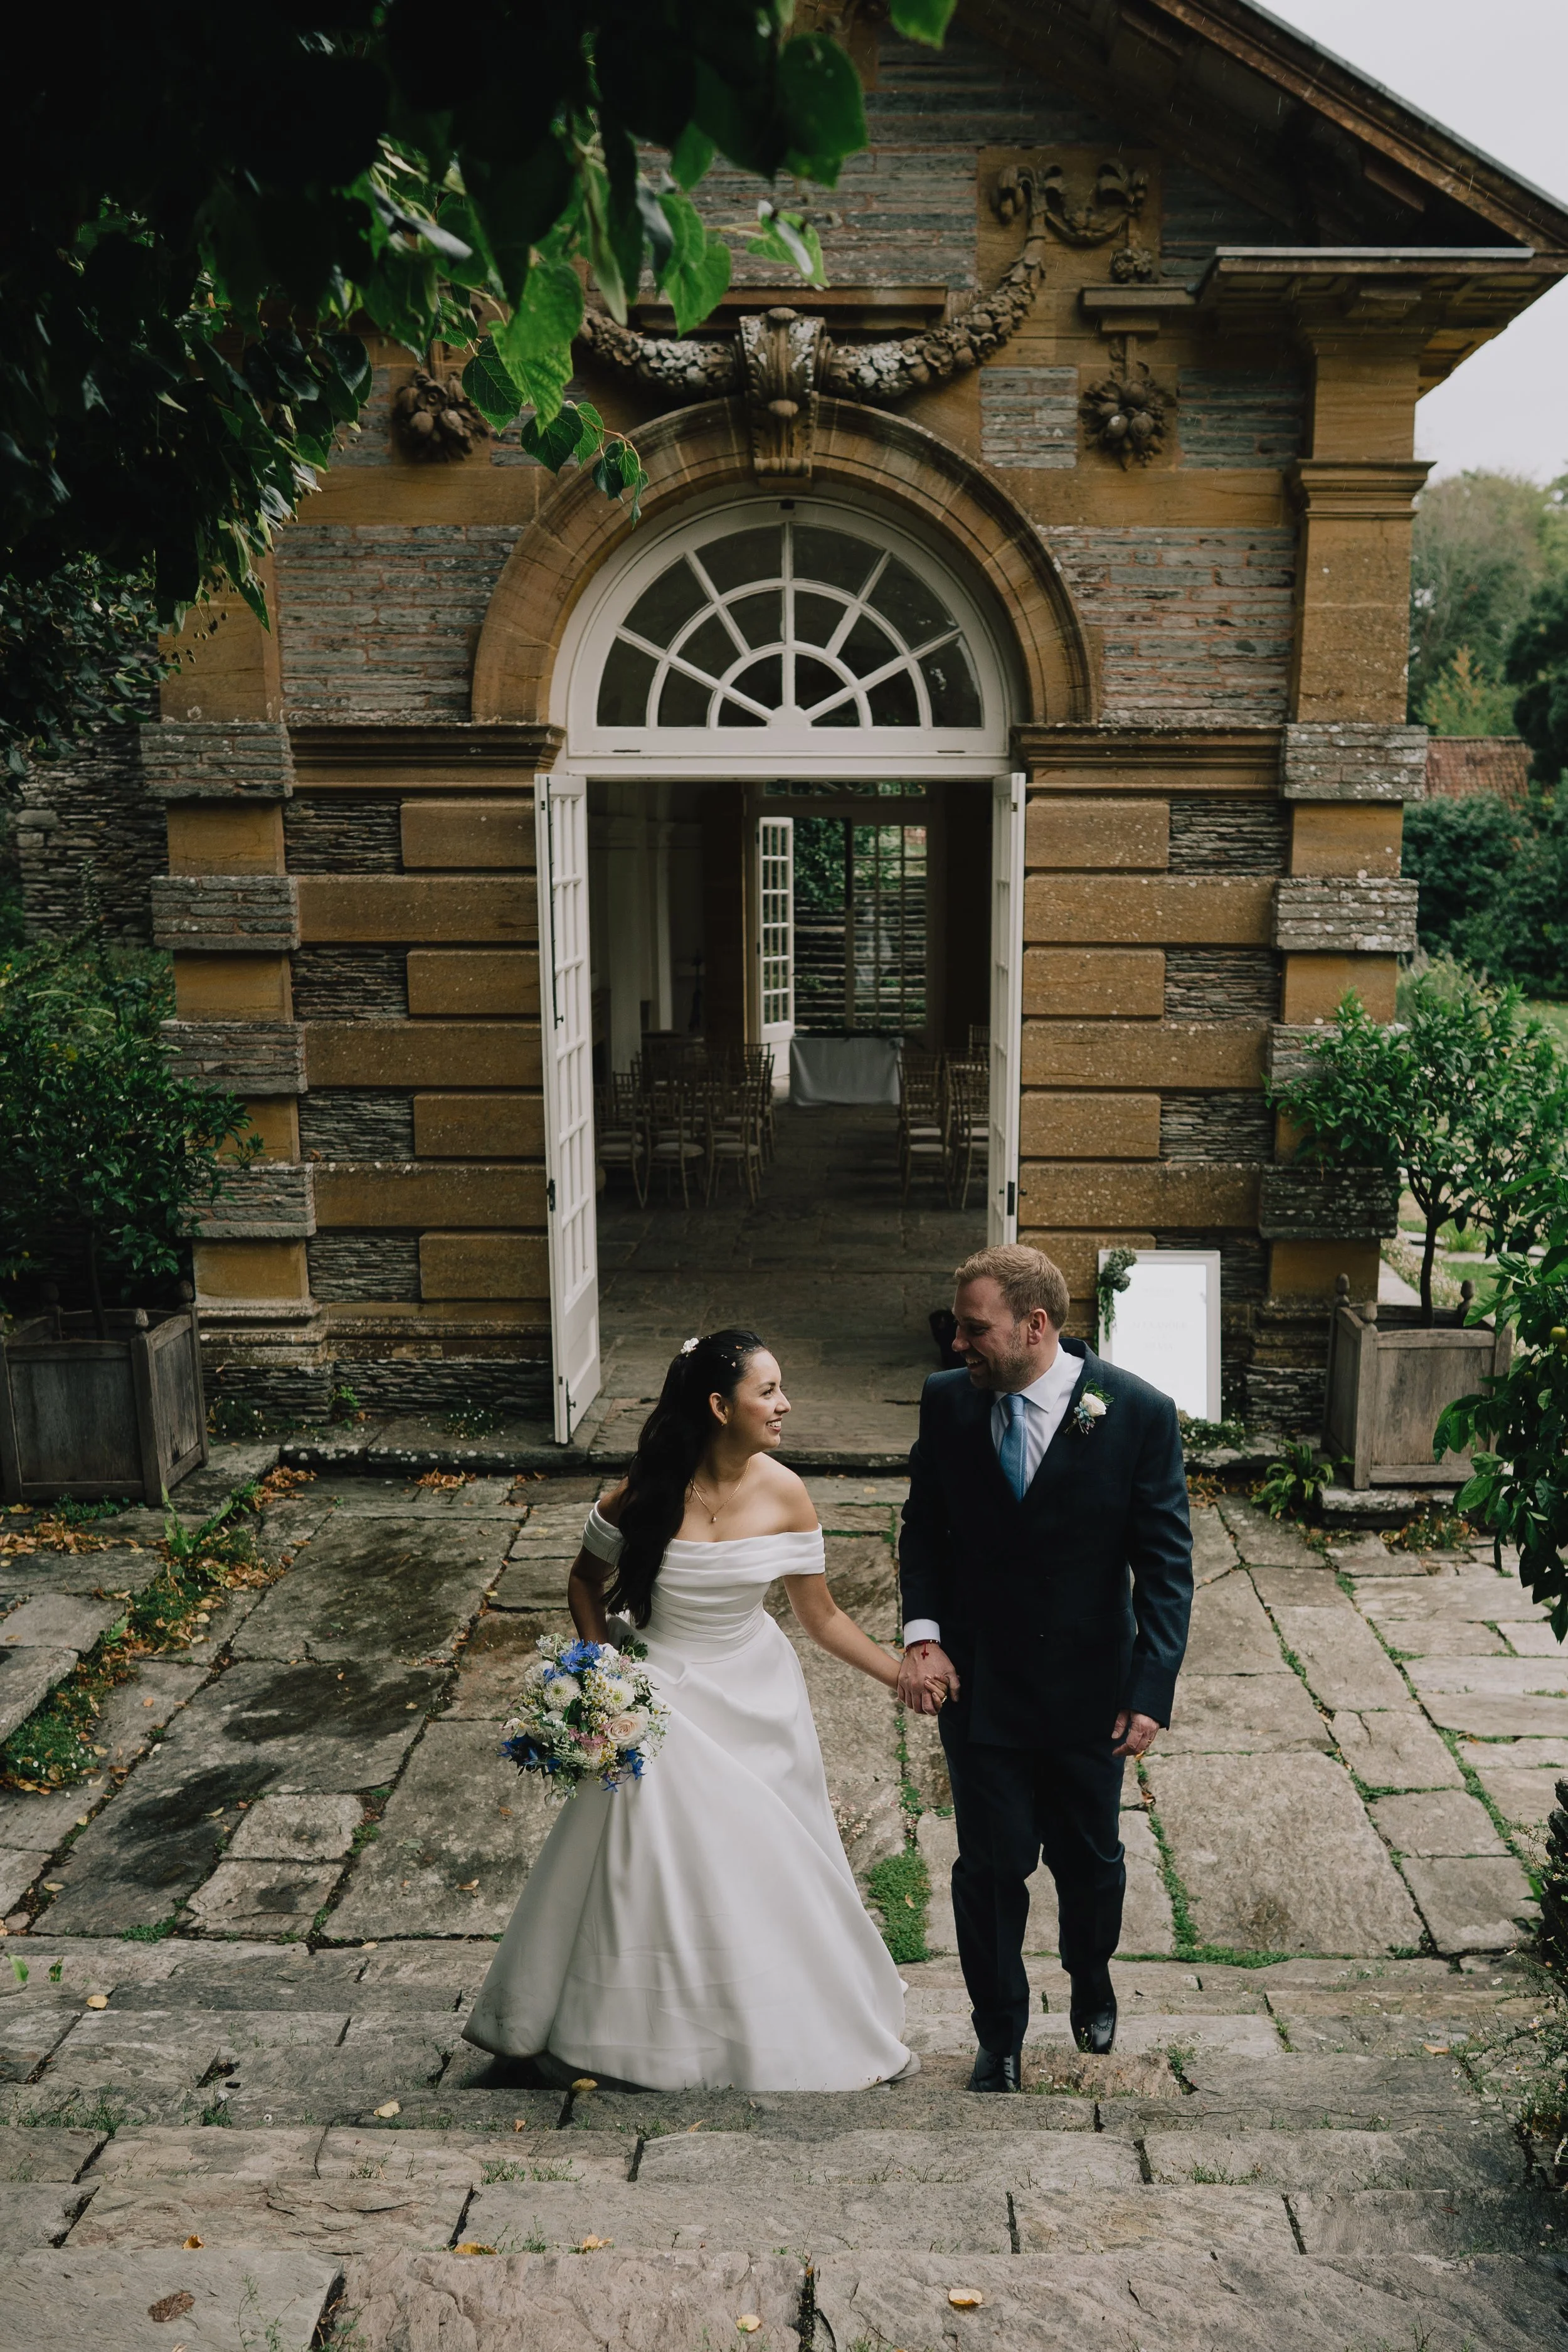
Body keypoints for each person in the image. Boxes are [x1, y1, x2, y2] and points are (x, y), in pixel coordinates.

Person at [464, 1328, 913, 2092]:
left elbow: (822, 1616)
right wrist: (601, 1669)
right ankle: (640, 2031)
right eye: (766, 1391)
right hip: (657, 1694)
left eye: (779, 1389)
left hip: (757, 1696)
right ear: (717, 1406)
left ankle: (774, 2019)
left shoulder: (785, 1492)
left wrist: (899, 1675)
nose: (784, 1404)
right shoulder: (642, 1493)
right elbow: (583, 1582)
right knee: (654, 1861)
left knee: (769, 1862)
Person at [898, 1244, 1192, 2092]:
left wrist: (1151, 1689)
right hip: (981, 1685)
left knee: (1091, 1859)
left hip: (1089, 1691)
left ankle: (1089, 1967)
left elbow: (1167, 1567)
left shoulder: (1137, 1413)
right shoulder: (948, 1402)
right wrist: (925, 1632)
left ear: (1034, 1326)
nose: (958, 1344)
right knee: (989, 1866)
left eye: (973, 1327)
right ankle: (1001, 2033)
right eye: (955, 1326)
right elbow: (925, 1528)